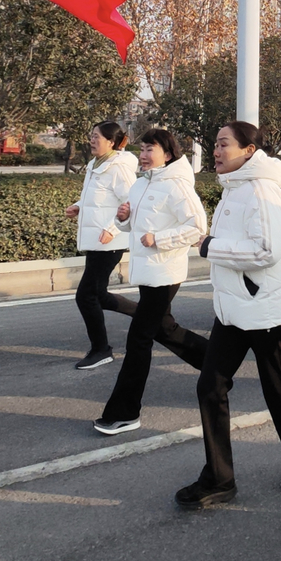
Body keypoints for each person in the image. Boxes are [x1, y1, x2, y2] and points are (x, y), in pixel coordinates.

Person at [175, 121, 281, 509]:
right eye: (214, 143)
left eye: (224, 144)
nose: (216, 150)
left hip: (263, 310)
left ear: (249, 150)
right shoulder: (235, 187)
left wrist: (211, 246)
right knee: (210, 387)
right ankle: (218, 479)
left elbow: (266, 250)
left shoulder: (261, 191)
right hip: (233, 309)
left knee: (280, 390)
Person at [92, 129, 208, 435]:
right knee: (165, 328)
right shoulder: (142, 183)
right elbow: (131, 223)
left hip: (165, 272)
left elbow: (197, 227)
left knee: (138, 340)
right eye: (142, 149)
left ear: (167, 154)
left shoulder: (177, 185)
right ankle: (216, 363)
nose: (143, 155)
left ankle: (125, 412)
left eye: (150, 149)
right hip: (146, 270)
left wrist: (159, 238)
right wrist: (122, 218)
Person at [67, 122, 140, 370]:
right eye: (90, 135)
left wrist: (112, 228)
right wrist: (78, 205)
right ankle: (148, 314)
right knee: (99, 295)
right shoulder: (95, 164)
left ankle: (102, 350)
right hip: (96, 241)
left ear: (111, 141)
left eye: (96, 136)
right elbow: (96, 197)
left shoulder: (118, 168)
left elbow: (130, 201)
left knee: (85, 296)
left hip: (110, 241)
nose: (91, 139)